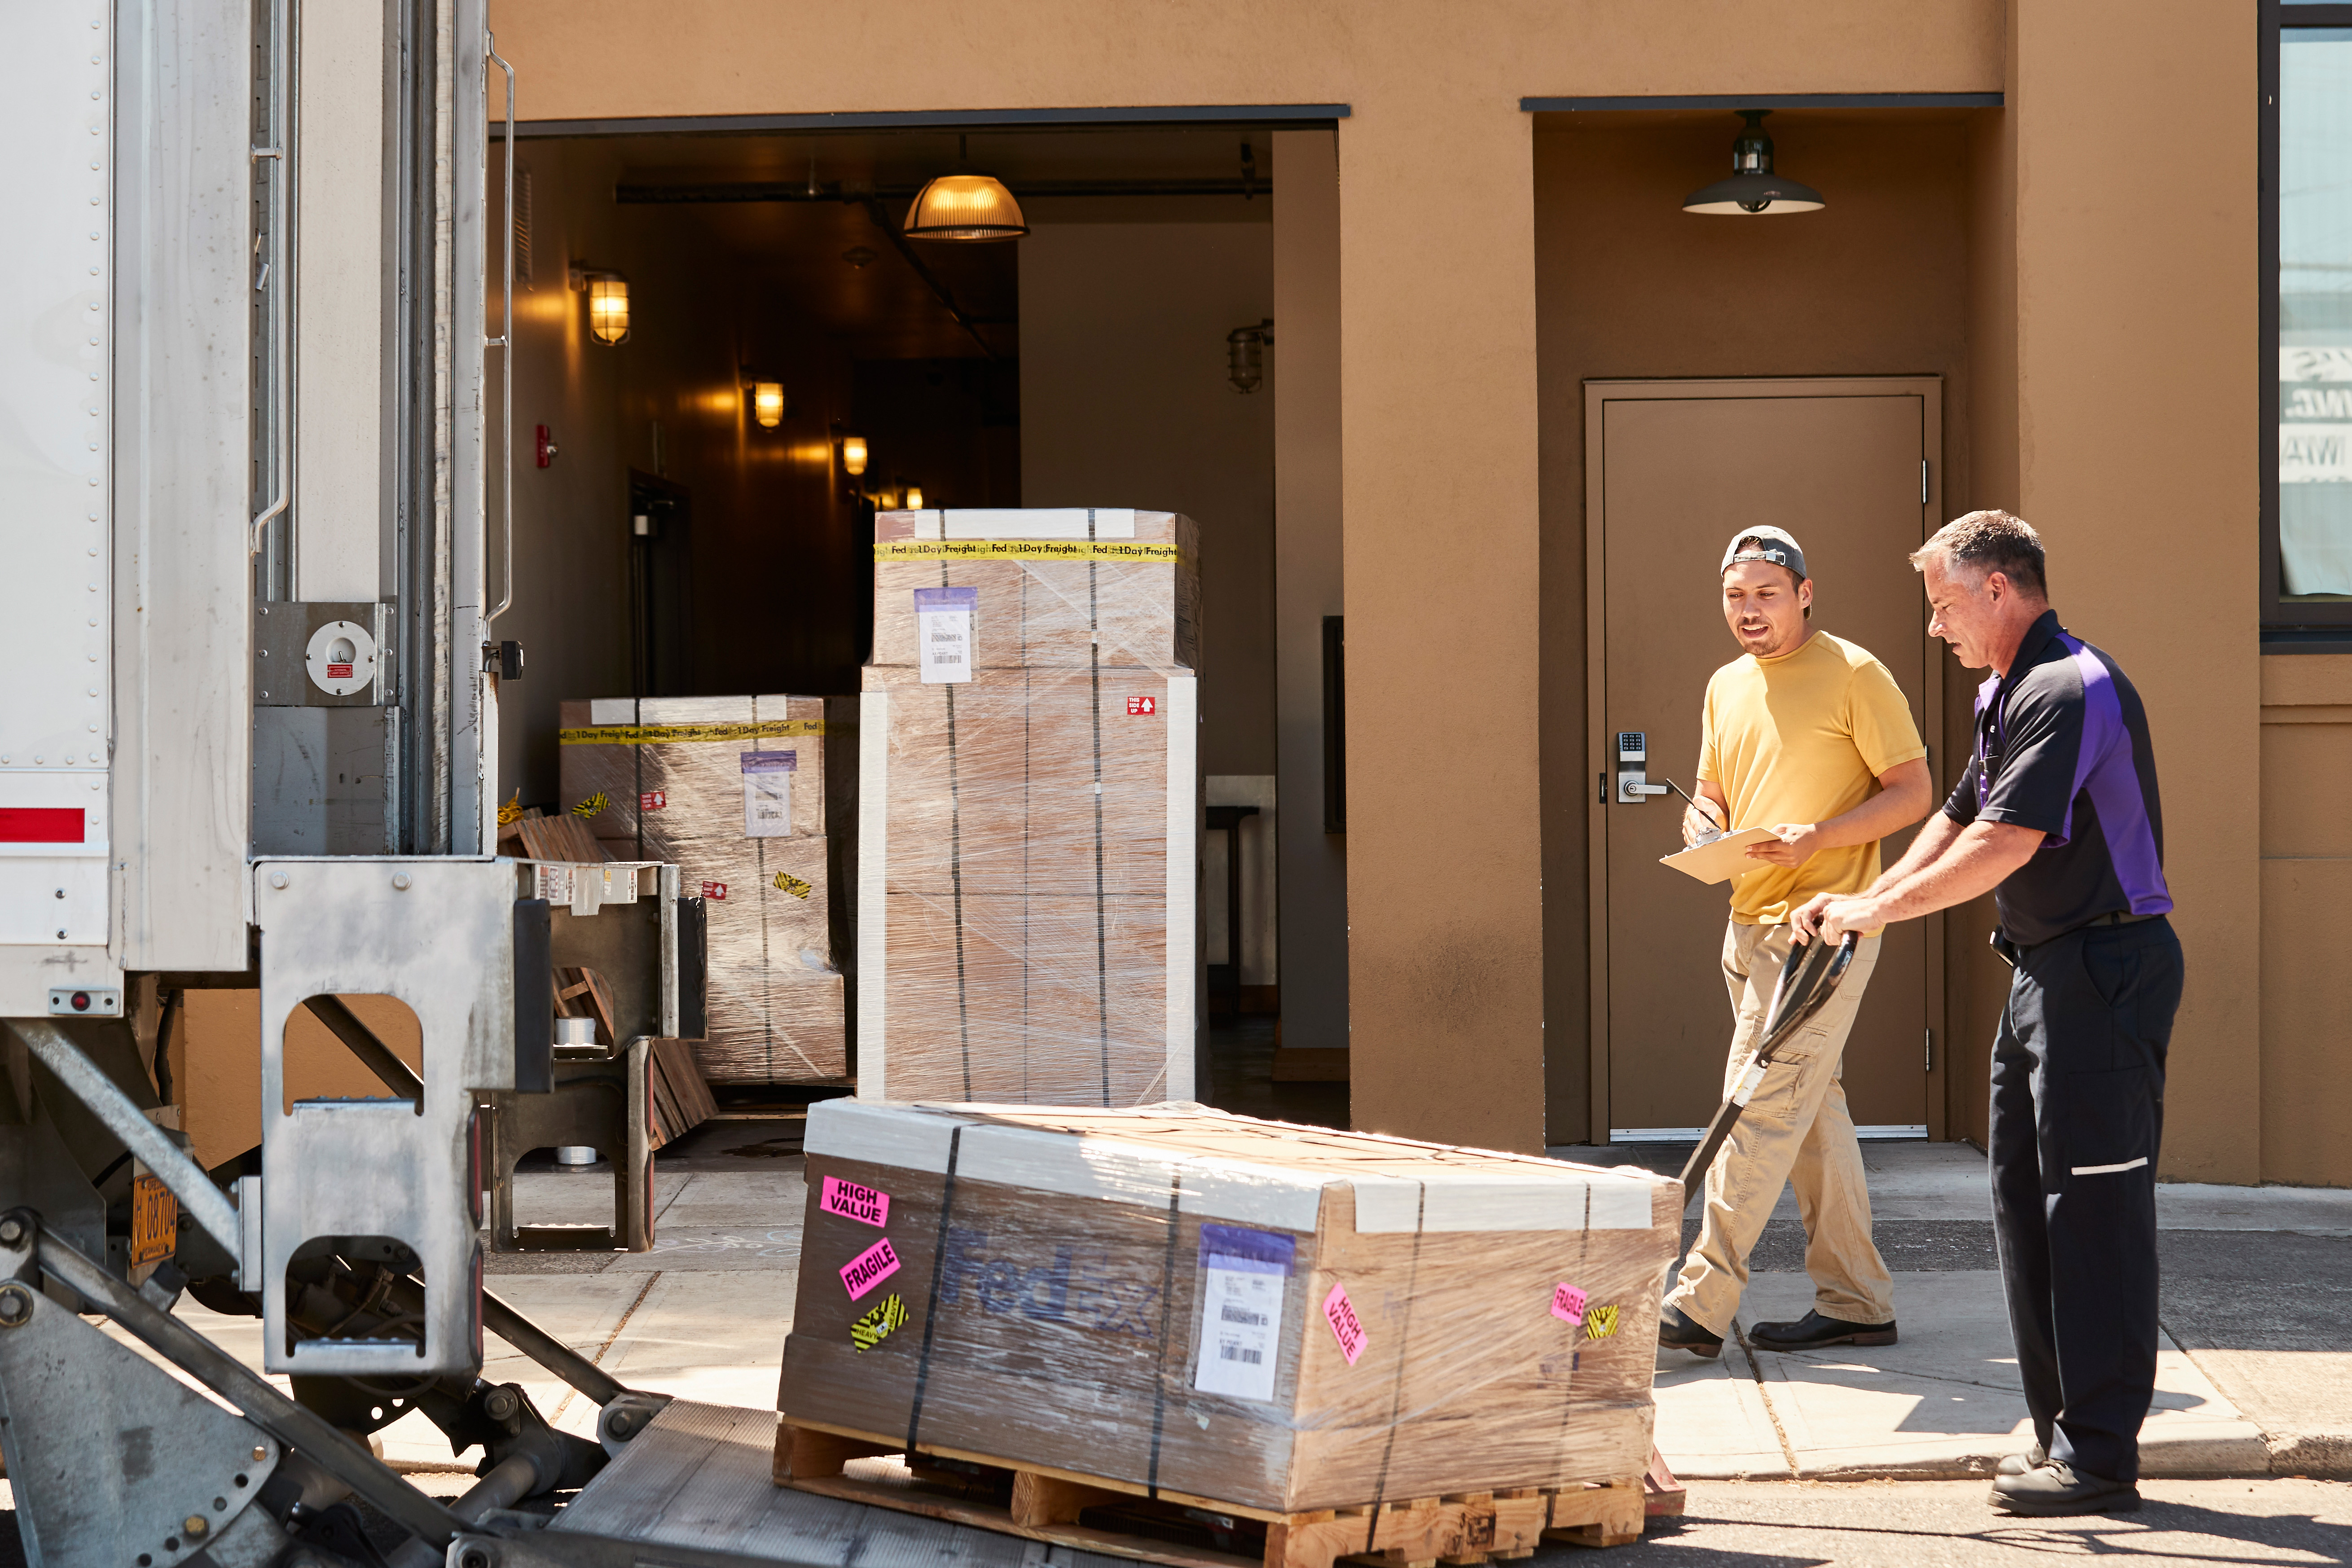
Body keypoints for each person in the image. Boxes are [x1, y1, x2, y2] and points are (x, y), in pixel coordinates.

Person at [1794, 510, 2179, 1519]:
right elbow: (1956, 815)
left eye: (1944, 603)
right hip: (2044, 973)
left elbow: (2006, 841)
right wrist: (1863, 908)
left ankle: (2101, 1454)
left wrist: (1873, 909)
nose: (1936, 626)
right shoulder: (2006, 693)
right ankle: (2060, 1436)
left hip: (2104, 965)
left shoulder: (2069, 686)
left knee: (2092, 1214)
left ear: (2000, 588)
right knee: (2022, 1202)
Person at [1657, 526, 1934, 1361]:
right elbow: (1709, 792)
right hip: (1746, 923)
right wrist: (1700, 819)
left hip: (1823, 929)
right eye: (1736, 596)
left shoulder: (1855, 672)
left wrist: (1819, 836)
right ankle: (1856, 1299)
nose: (1749, 611)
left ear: (1805, 592)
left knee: (1755, 1104)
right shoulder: (1725, 685)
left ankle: (1698, 1302)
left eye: (1767, 594)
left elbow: (1914, 792)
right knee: (1812, 1114)